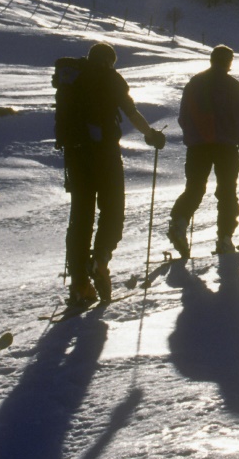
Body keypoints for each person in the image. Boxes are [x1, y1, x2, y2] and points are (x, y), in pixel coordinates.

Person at [63, 42, 166, 307]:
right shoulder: (111, 78)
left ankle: (79, 285)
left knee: (81, 218)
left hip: (74, 157)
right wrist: (151, 134)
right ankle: (100, 259)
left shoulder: (72, 78)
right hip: (105, 155)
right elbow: (131, 112)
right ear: (109, 61)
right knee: (113, 211)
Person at [168, 45, 239, 258]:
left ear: (212, 59)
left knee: (194, 188)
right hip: (225, 148)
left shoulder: (194, 83)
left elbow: (183, 117)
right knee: (227, 192)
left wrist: (193, 136)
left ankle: (179, 223)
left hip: (197, 147)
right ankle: (225, 238)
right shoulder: (231, 85)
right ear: (229, 62)